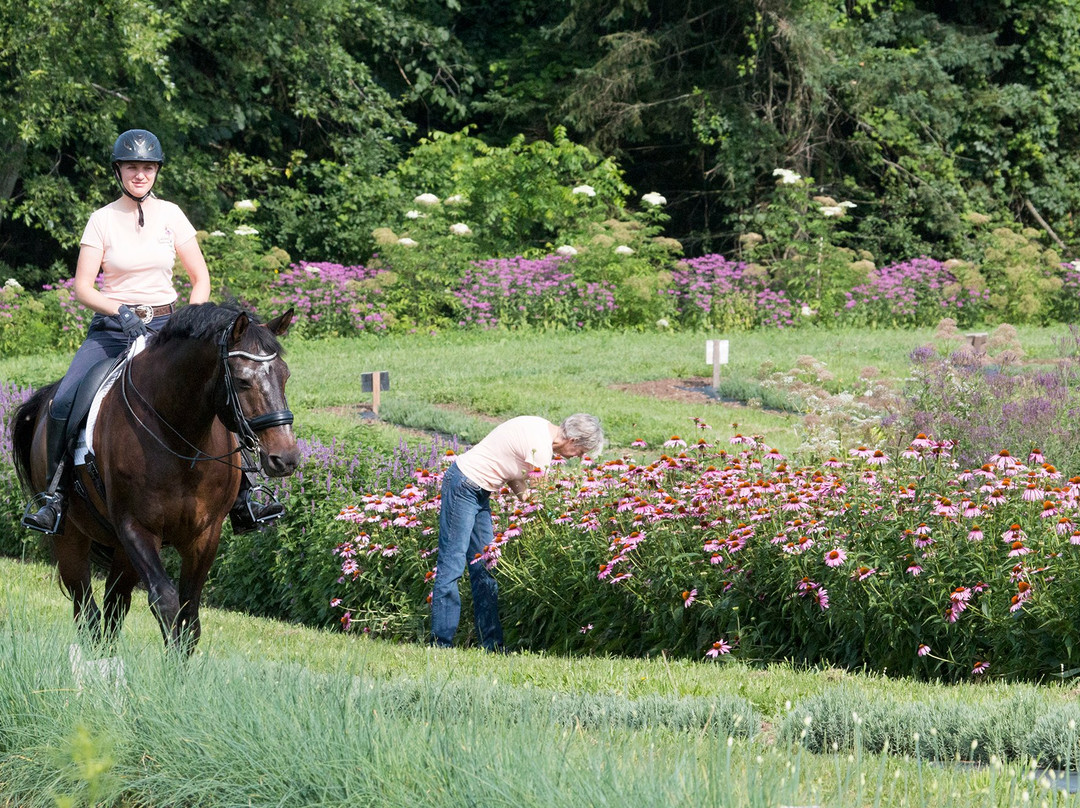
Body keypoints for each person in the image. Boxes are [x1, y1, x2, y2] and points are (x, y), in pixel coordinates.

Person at [21, 128, 281, 536]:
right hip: (112, 328)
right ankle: (53, 497)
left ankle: (245, 492)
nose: (140, 174)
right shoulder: (102, 220)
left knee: (219, 388)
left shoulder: (172, 215)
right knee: (66, 399)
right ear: (119, 171)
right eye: (132, 167)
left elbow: (200, 277)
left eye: (147, 167)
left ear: (156, 171)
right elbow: (84, 286)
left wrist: (191, 323)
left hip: (167, 328)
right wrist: (120, 311)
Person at [430, 413, 604, 650]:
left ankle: (492, 646)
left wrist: (526, 498)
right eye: (582, 451)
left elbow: (512, 470)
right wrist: (558, 518)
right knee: (452, 564)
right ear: (573, 440)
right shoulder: (541, 449)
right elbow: (543, 499)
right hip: (464, 486)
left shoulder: (539, 426)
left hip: (479, 490)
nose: (580, 457)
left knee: (485, 566)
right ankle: (441, 645)